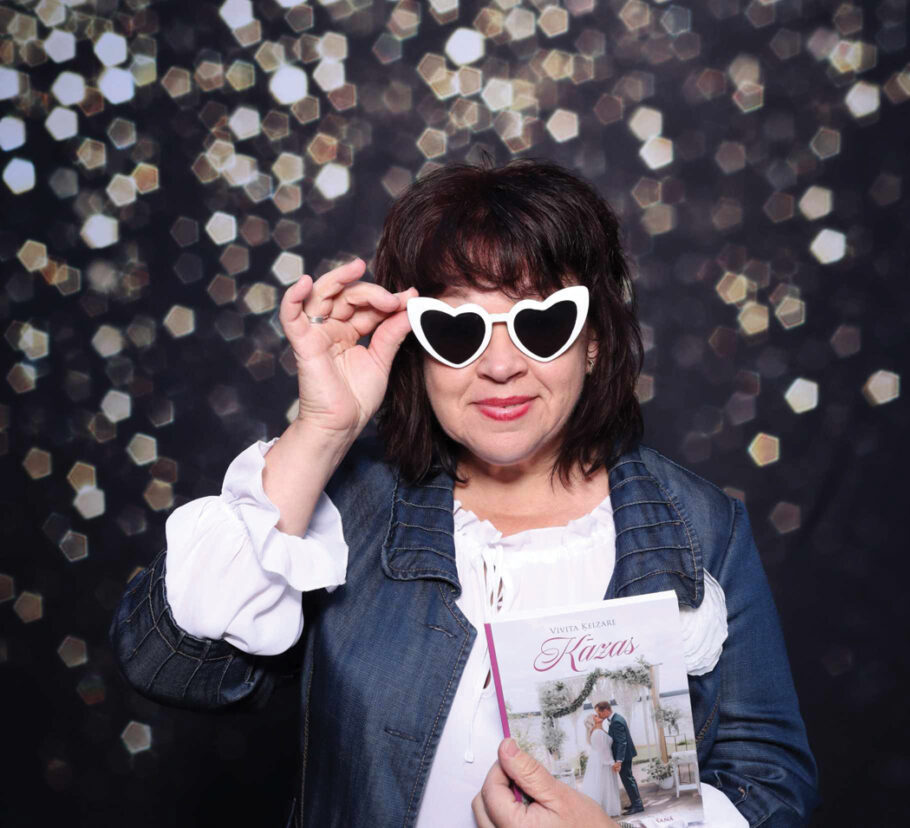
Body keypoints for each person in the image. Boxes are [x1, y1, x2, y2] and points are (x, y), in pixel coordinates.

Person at [109, 159, 819, 827]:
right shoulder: (351, 508)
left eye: (542, 324)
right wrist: (322, 431)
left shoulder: (702, 526)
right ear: (418, 346)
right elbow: (171, 667)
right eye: (458, 330)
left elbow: (770, 783)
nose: (501, 366)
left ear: (594, 340)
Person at [595, 701, 642, 815]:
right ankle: (635, 803)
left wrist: (619, 761)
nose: (598, 715)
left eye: (599, 713)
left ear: (605, 710)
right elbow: (615, 738)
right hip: (625, 755)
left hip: (624, 756)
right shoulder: (616, 718)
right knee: (628, 780)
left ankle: (638, 806)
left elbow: (622, 742)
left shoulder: (616, 721)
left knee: (628, 780)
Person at [580, 712, 621, 817]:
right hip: (603, 762)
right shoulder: (598, 732)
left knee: (602, 784)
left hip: (600, 760)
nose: (598, 716)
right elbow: (604, 750)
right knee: (604, 784)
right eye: (595, 716)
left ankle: (604, 808)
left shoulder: (598, 731)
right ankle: (605, 809)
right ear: (593, 721)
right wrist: (612, 763)